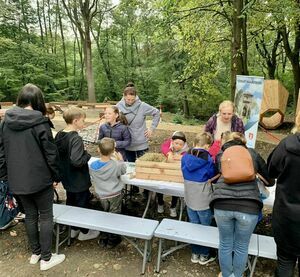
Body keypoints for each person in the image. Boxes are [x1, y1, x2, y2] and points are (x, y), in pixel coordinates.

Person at [0, 83, 65, 270]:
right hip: (40, 178)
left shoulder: (5, 122)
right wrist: (56, 176)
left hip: (16, 179)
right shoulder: (40, 122)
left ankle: (35, 253)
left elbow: (1, 153)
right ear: (38, 101)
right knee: (45, 216)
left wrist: (5, 176)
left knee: (30, 215)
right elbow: (51, 153)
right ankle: (46, 258)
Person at [210, 132, 273, 277]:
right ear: (244, 142)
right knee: (241, 246)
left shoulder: (221, 154)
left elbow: (214, 178)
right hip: (248, 207)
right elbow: (270, 181)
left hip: (222, 204)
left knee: (225, 244)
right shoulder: (252, 154)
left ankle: (226, 275)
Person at [55, 107, 99, 241]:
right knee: (82, 204)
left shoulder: (59, 134)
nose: (84, 123)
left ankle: (73, 228)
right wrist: (87, 154)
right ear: (75, 121)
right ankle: (84, 232)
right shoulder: (76, 138)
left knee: (71, 202)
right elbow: (77, 161)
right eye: (83, 120)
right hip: (78, 179)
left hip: (67, 177)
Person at [267, 113, 300, 277]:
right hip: (287, 215)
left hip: (287, 217)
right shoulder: (286, 145)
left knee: (285, 261)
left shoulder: (287, 145)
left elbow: (271, 170)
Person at [116, 82, 160, 196]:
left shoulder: (142, 106)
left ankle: (146, 189)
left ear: (135, 97)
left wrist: (151, 128)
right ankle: (134, 188)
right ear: (124, 96)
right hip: (127, 141)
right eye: (128, 99)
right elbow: (112, 118)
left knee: (144, 165)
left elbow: (156, 113)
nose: (130, 101)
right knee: (130, 165)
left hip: (141, 141)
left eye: (132, 99)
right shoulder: (118, 106)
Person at [181, 132, 217, 265]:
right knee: (205, 227)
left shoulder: (185, 157)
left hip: (190, 197)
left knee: (194, 226)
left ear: (195, 143)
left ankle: (195, 253)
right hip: (203, 199)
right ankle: (205, 254)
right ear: (207, 146)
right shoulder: (208, 159)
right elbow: (211, 174)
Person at [89, 137, 127, 248]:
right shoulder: (116, 164)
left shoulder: (92, 165)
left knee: (104, 215)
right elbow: (123, 170)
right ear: (113, 151)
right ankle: (113, 239)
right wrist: (120, 159)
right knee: (114, 215)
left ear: (98, 150)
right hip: (115, 194)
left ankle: (104, 237)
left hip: (101, 195)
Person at [158, 131, 189, 217]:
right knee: (160, 188)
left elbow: (186, 157)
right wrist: (169, 153)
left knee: (175, 190)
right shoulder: (168, 144)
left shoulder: (186, 151)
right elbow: (164, 147)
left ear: (184, 144)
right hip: (164, 172)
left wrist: (181, 157)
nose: (178, 146)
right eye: (176, 143)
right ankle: (160, 203)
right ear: (172, 141)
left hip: (177, 174)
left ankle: (173, 207)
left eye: (180, 144)